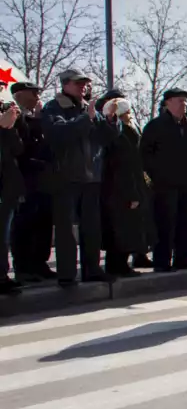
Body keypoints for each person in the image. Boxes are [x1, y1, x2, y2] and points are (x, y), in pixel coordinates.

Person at [42, 68, 113, 286]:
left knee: (91, 227)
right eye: (78, 83)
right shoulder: (54, 108)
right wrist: (86, 119)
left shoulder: (88, 109)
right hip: (66, 178)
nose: (83, 87)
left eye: (85, 83)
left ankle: (92, 269)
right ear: (65, 84)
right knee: (66, 230)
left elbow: (108, 139)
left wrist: (110, 122)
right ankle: (66, 274)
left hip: (91, 177)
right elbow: (58, 134)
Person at [141, 88, 187, 272]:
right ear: (168, 103)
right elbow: (144, 154)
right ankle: (162, 261)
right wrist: (158, 174)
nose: (184, 104)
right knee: (165, 223)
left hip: (186, 182)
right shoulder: (156, 126)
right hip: (165, 184)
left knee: (184, 222)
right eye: (180, 101)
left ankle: (182, 258)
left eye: (186, 101)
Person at [9, 81, 55, 283]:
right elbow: (23, 146)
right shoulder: (14, 116)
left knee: (43, 223)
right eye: (32, 93)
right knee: (24, 224)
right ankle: (24, 267)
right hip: (24, 177)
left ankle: (39, 263)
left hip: (42, 178)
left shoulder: (37, 117)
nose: (37, 97)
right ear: (19, 94)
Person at [100, 98, 151, 277]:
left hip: (122, 187)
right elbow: (125, 166)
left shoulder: (123, 132)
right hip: (122, 190)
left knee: (124, 228)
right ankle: (118, 265)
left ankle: (119, 264)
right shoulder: (121, 135)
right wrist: (132, 193)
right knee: (123, 229)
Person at [0, 100, 21, 294]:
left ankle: (2, 275)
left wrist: (8, 129)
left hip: (6, 187)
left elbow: (17, 150)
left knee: (3, 236)